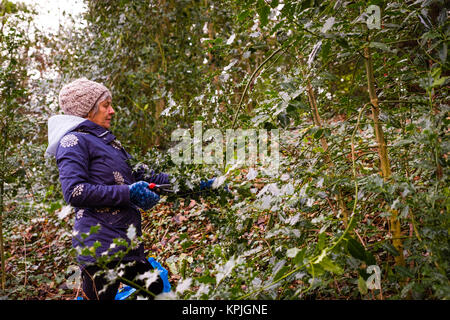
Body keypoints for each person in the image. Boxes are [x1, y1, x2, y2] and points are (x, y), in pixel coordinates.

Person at [46, 78, 169, 300]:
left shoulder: (110, 144)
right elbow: (74, 191)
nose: (112, 111)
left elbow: (144, 176)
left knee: (158, 292)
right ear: (87, 110)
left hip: (126, 244)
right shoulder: (73, 142)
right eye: (105, 105)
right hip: (100, 251)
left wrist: (195, 184)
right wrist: (128, 193)